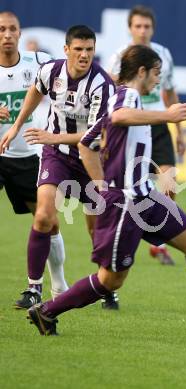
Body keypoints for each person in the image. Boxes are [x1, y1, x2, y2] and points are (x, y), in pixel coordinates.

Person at [26, 45, 186, 339]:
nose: (158, 80)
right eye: (156, 74)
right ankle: (47, 311)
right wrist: (167, 116)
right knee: (110, 281)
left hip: (146, 197)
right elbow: (121, 117)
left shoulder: (120, 101)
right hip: (125, 203)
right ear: (142, 72)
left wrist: (99, 183)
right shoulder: (127, 96)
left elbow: (86, 142)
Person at [0, 25, 117, 309]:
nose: (84, 55)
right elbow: (34, 92)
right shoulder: (50, 71)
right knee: (42, 216)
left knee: (97, 229)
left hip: (90, 160)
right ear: (66, 50)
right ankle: (34, 289)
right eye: (78, 49)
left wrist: (53, 136)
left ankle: (107, 286)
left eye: (89, 49)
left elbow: (94, 134)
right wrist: (16, 126)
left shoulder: (102, 84)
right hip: (56, 156)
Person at [107, 5, 185, 266]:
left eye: (147, 26)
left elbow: (170, 92)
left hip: (160, 123)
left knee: (170, 183)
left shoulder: (163, 54)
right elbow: (110, 91)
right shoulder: (121, 56)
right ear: (130, 29)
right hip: (132, 124)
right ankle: (133, 231)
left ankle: (158, 240)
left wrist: (180, 132)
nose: (142, 31)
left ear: (153, 29)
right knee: (130, 187)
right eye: (138, 26)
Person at [0, 11, 68, 304]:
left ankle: (58, 284)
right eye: (1, 29)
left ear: (20, 32)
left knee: (48, 221)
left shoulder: (38, 62)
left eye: (12, 29)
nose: (6, 35)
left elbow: (69, 81)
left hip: (29, 155)